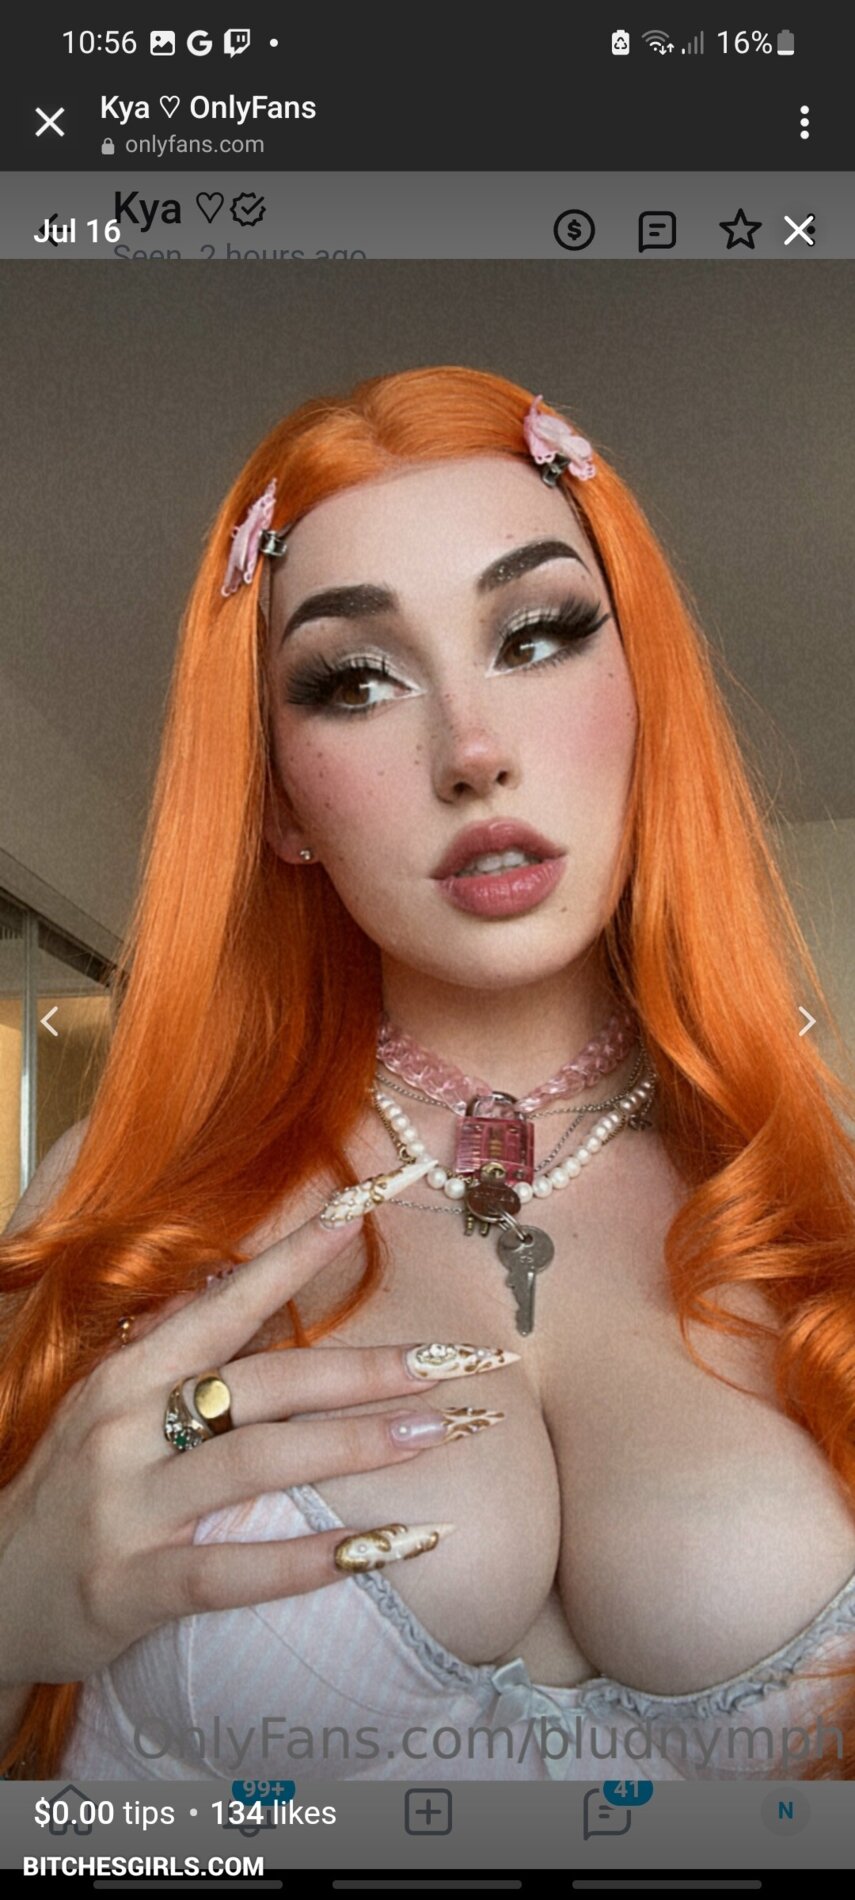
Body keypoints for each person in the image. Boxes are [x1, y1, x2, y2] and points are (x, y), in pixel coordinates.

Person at [2, 365, 855, 1784]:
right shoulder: (119, 1206)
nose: (471, 752)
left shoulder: (823, 1186)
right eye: (354, 680)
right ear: (278, 797)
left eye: (538, 634)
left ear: (644, 690)